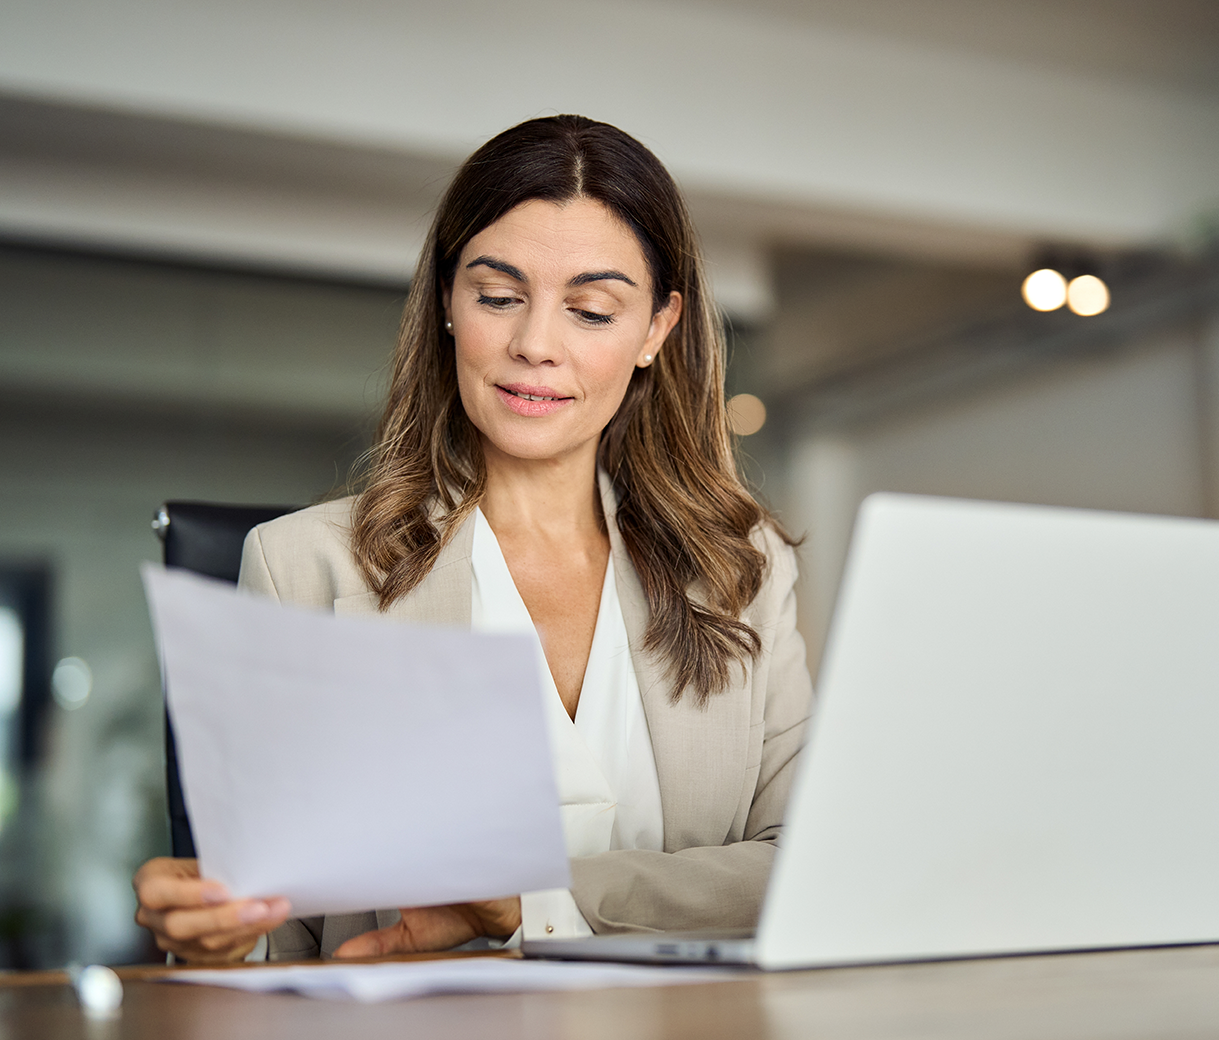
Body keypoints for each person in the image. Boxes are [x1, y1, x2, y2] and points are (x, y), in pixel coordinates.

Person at [133, 114, 812, 964]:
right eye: (498, 297)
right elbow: (279, 940)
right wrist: (211, 942)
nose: (535, 345)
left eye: (591, 310)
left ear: (656, 331)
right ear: (449, 304)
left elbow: (800, 873)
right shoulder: (303, 564)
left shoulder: (743, 569)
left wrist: (532, 900)